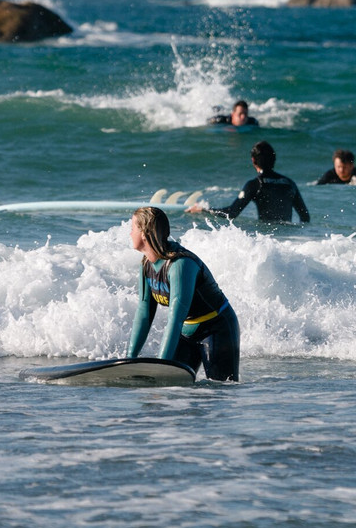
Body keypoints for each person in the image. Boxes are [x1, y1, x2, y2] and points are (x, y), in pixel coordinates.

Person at [126, 206, 240, 381]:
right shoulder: (147, 264)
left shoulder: (180, 265)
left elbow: (175, 319)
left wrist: (160, 368)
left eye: (132, 228)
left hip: (216, 328)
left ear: (144, 232)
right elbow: (144, 314)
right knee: (174, 388)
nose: (130, 233)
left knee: (220, 389)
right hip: (186, 332)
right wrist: (129, 360)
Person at [188, 140, 310, 223]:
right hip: (290, 239)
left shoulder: (256, 184)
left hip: (270, 239)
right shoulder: (289, 183)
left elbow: (232, 213)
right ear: (274, 159)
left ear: (253, 160)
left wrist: (204, 209)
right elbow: (305, 217)